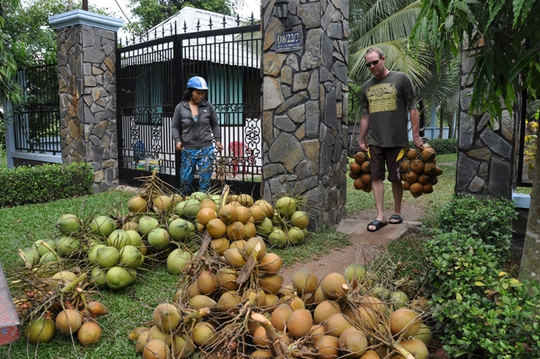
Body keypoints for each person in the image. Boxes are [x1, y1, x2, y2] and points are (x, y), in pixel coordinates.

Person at [358, 47, 423, 232]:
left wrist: (416, 136)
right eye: (368, 64)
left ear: (383, 59)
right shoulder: (366, 87)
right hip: (376, 141)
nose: (372, 66)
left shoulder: (401, 79)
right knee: (376, 177)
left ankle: (397, 212)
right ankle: (380, 216)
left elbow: (412, 107)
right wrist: (361, 139)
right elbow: (365, 116)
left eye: (375, 62)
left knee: (395, 178)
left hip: (396, 139)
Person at [172, 76, 224, 195]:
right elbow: (175, 126)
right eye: (198, 93)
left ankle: (203, 206)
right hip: (188, 150)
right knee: (185, 180)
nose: (201, 96)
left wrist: (218, 140)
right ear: (190, 92)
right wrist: (177, 141)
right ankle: (184, 203)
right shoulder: (180, 108)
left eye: (203, 93)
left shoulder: (208, 106)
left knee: (205, 181)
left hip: (206, 149)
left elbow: (215, 124)